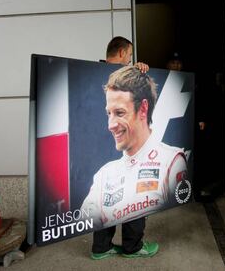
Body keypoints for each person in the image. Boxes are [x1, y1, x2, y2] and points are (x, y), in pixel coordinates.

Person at [81, 65, 189, 259]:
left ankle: (113, 247)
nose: (110, 125)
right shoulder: (104, 173)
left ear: (144, 109)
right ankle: (114, 247)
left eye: (119, 113)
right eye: (109, 113)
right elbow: (84, 218)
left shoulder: (172, 162)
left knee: (134, 195)